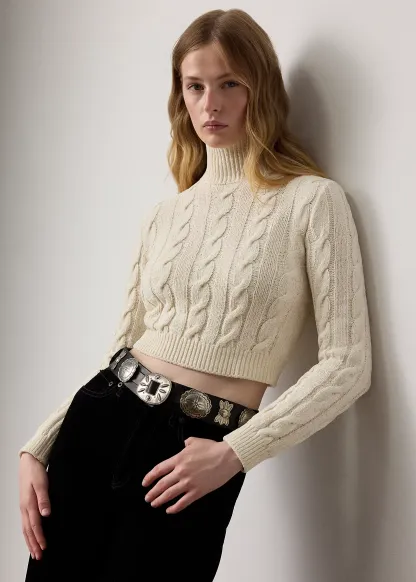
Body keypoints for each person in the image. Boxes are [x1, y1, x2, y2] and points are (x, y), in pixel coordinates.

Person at [19, 8, 372, 582]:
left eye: (230, 83)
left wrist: (237, 452)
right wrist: (39, 445)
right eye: (195, 86)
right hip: (96, 425)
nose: (212, 104)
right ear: (179, 95)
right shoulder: (165, 215)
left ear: (261, 88)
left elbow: (348, 366)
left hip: (198, 453)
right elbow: (121, 353)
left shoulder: (312, 201)